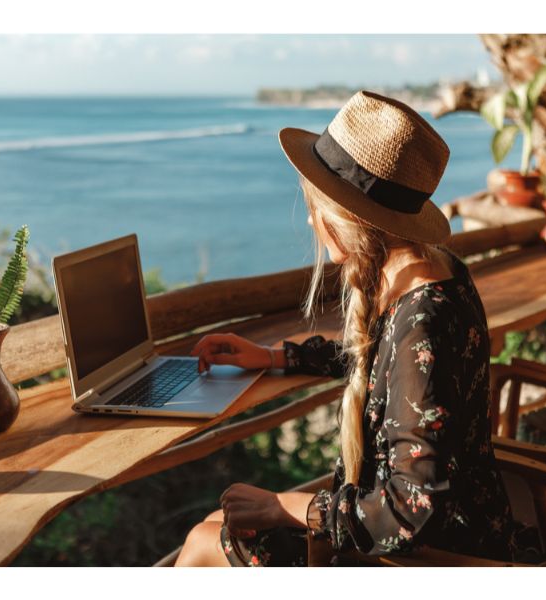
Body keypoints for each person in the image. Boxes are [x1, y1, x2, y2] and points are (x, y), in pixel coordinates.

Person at [173, 91, 517, 567]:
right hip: (464, 522)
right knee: (216, 524)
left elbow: (409, 512)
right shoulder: (433, 271)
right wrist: (276, 356)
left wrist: (287, 505)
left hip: (434, 557)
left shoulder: (424, 323)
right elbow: (390, 369)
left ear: (345, 218)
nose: (312, 219)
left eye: (316, 207)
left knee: (203, 543)